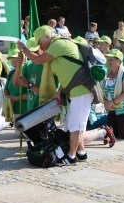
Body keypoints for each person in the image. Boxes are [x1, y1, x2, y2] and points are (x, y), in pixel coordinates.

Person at [16, 26, 105, 164]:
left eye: (40, 43)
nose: (41, 46)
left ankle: (71, 156)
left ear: (46, 37)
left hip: (81, 89)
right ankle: (81, 152)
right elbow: (68, 73)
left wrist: (23, 48)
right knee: (71, 124)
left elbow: (39, 60)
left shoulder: (58, 43)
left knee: (75, 125)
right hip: (76, 89)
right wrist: (59, 92)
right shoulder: (58, 45)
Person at [102, 49, 124, 139]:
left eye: (112, 59)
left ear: (119, 61)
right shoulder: (106, 73)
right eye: (108, 59)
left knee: (123, 135)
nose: (109, 61)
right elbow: (102, 91)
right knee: (113, 135)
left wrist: (111, 102)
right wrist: (105, 102)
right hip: (111, 109)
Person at [4, 48, 29, 121]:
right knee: (17, 131)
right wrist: (8, 98)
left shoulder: (27, 72)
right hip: (14, 109)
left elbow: (30, 93)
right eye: (12, 62)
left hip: (25, 109)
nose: (14, 64)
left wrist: (16, 98)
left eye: (16, 61)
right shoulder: (11, 73)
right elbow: (6, 89)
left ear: (23, 60)